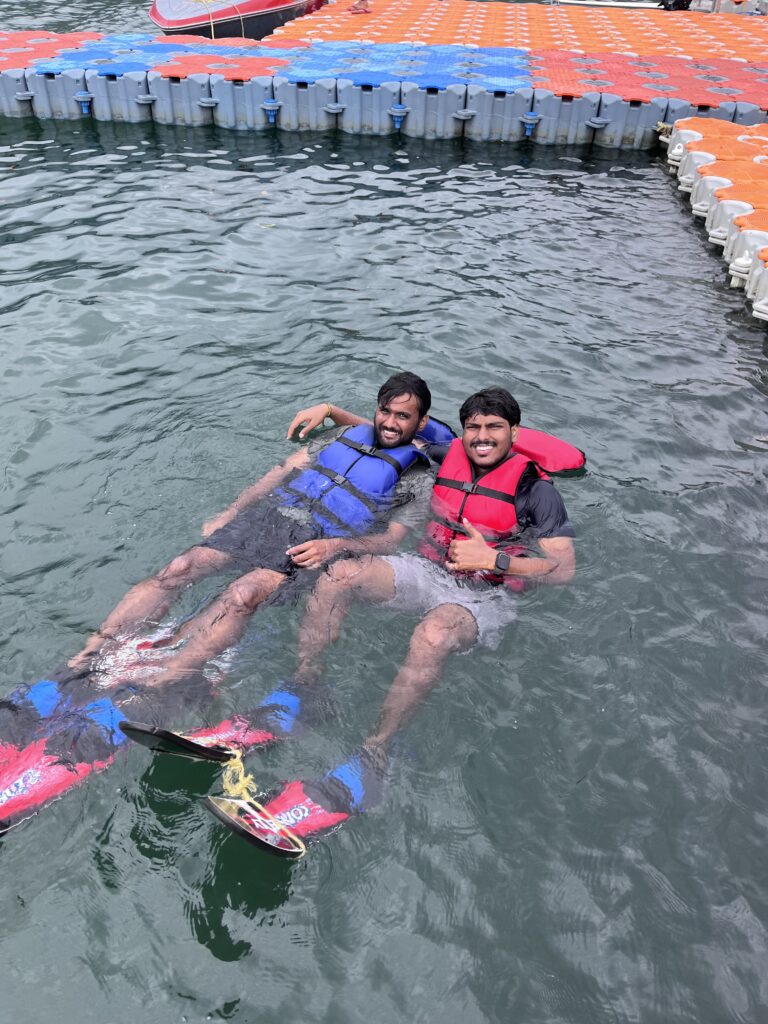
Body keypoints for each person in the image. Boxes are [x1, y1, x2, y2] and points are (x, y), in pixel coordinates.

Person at [197, 387, 578, 847]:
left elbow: (563, 570)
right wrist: (331, 411)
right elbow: (388, 430)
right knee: (338, 574)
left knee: (433, 635)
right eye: (474, 427)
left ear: (514, 433)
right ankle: (305, 689)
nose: (482, 437)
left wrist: (495, 559)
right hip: (427, 570)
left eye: (494, 428)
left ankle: (374, 755)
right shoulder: (448, 455)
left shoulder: (537, 492)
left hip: (484, 593)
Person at [66, 372, 436, 688]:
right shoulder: (344, 435)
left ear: (421, 423)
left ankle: (165, 679)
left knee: (242, 594)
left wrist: (335, 546)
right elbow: (283, 470)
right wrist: (231, 510)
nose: (390, 422)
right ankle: (93, 651)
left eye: (402, 416)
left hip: (316, 544)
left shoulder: (417, 478)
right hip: (271, 518)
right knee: (180, 567)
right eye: (385, 411)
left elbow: (390, 541)